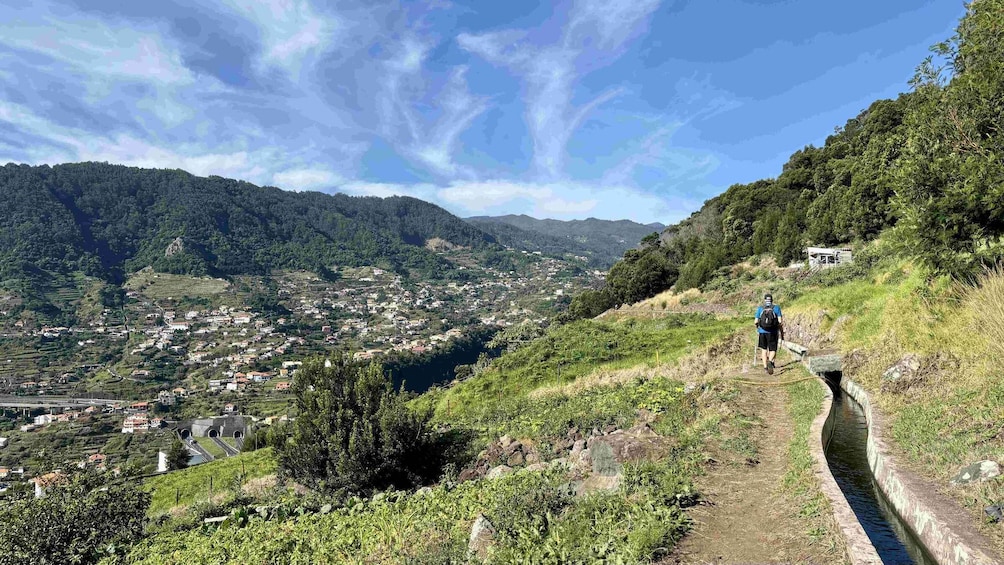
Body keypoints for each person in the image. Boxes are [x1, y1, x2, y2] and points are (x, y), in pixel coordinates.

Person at [755, 293, 783, 375]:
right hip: (773, 332)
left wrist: (758, 328)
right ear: (772, 300)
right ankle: (770, 361)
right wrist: (780, 330)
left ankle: (765, 367)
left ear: (764, 300)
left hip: (762, 332)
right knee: (773, 349)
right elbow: (780, 321)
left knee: (764, 350)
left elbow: (756, 321)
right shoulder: (776, 308)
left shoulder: (760, 308)